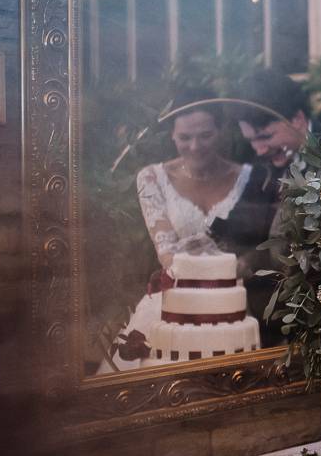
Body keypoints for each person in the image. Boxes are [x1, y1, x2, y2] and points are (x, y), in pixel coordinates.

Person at [101, 88, 252, 372]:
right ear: (172, 135)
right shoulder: (151, 178)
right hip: (174, 302)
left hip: (231, 304)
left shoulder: (246, 177)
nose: (195, 146)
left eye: (205, 135)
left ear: (220, 131)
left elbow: (254, 244)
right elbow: (167, 252)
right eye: (185, 137)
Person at [209, 69, 312, 346]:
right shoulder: (259, 162)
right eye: (252, 140)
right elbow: (242, 228)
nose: (259, 149)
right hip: (265, 317)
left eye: (265, 136)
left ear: (299, 121)